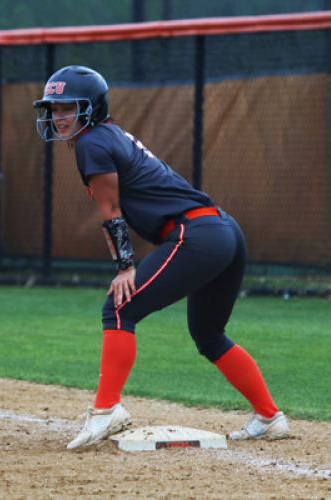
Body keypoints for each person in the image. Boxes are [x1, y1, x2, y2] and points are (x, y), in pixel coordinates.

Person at [34, 65, 289, 449]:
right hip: (223, 231)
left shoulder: (92, 143)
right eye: (53, 109)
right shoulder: (108, 136)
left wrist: (125, 267)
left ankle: (106, 411)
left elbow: (111, 212)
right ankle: (270, 417)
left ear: (92, 108)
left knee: (118, 310)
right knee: (209, 335)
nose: (58, 116)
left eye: (67, 107)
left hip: (197, 234)